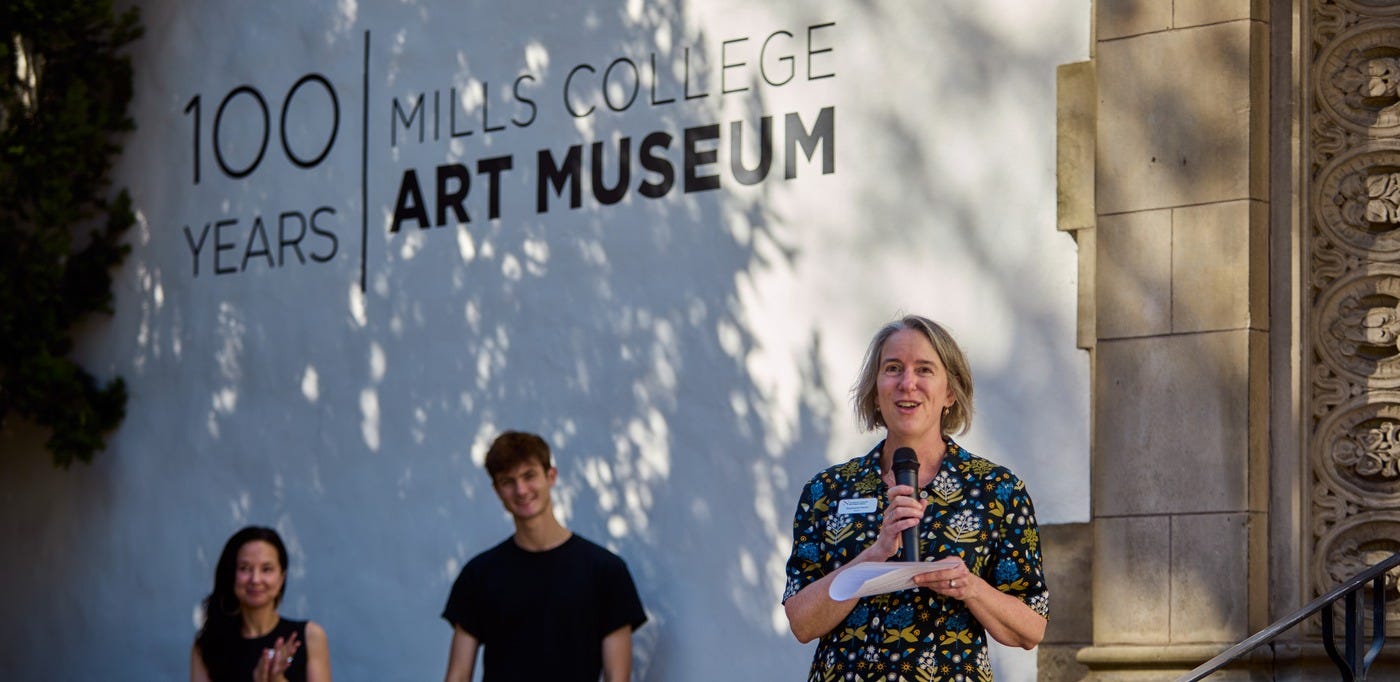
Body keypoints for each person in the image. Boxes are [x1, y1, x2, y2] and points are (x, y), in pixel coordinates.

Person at [782, 315, 1049, 680]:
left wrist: (969, 586)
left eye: (924, 369)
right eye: (893, 368)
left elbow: (1030, 629)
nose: (907, 383)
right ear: (876, 391)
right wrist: (873, 556)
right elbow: (801, 623)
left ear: (950, 392)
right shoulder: (826, 491)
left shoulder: (998, 490)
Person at [442, 431, 647, 682]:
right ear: (497, 490)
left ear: (551, 476)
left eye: (529, 476)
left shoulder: (605, 571)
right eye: (508, 481)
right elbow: (458, 676)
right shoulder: (479, 575)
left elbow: (618, 677)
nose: (521, 490)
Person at [191, 526, 332, 682]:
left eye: (266, 569)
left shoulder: (310, 636)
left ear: (282, 577)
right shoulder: (207, 645)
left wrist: (277, 679)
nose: (255, 579)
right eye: (245, 568)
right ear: (231, 574)